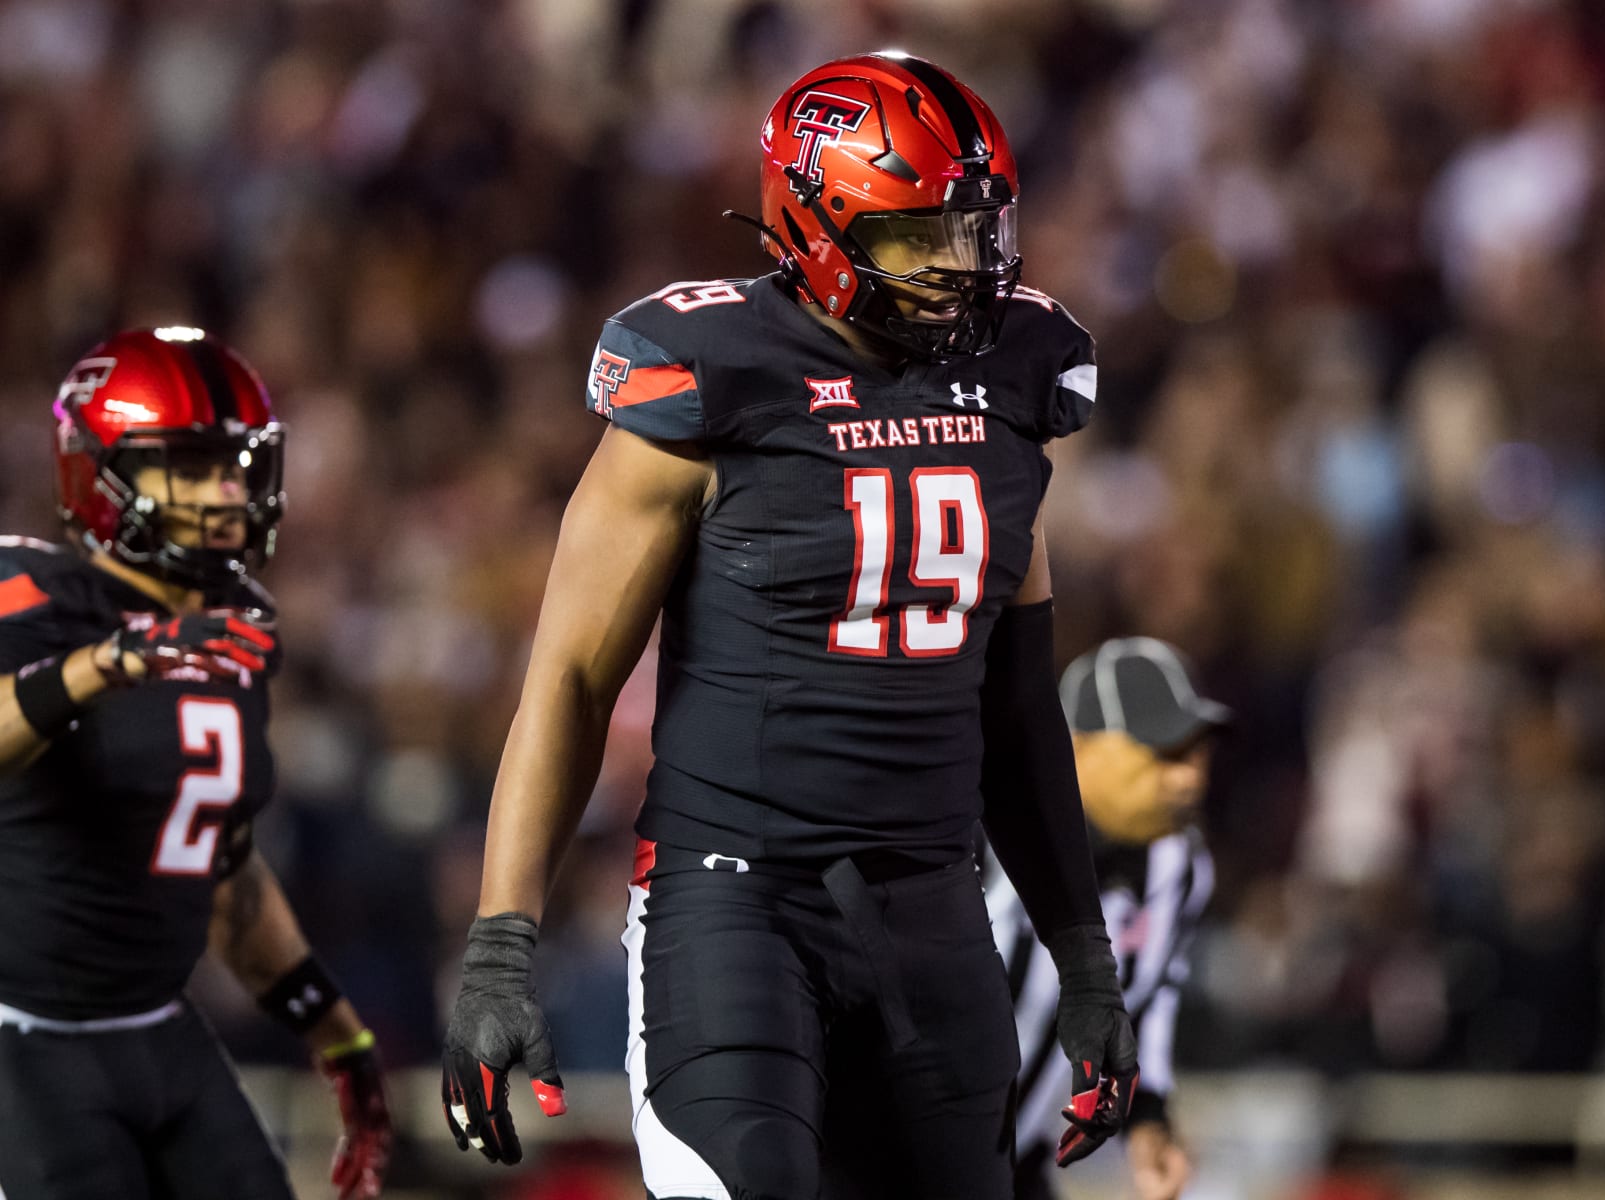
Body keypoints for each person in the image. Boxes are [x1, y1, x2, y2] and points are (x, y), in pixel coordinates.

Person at [440, 51, 1135, 1200]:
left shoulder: (1015, 382)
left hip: (933, 910)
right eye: (918, 240)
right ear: (813, 224)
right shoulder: (710, 376)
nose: (959, 270)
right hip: (737, 901)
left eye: (973, 232)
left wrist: (1085, 960)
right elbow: (568, 677)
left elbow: (1017, 706)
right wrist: (504, 938)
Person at [0, 328, 391, 1199]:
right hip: (25, 1036)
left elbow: (224, 870)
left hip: (158, 1030)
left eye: (234, 466)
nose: (225, 494)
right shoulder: (35, 598)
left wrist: (340, 1038)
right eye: (189, 467)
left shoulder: (234, 638)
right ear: (100, 475)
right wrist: (111, 662)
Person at [988, 637, 1230, 1200]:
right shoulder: (981, 835)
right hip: (897, 1152)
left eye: (1194, 753)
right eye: (1161, 751)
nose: (1187, 779)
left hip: (1019, 1162)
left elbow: (1149, 999)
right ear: (1077, 749)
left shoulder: (1181, 868)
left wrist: (1148, 1122)